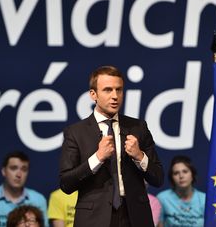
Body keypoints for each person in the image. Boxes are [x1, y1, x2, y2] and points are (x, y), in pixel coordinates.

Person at [59, 65, 164, 227]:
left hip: (135, 217)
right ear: (93, 94)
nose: (115, 96)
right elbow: (66, 184)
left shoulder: (138, 127)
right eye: (108, 90)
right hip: (94, 219)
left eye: (119, 90)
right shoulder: (75, 132)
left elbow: (158, 178)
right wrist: (97, 158)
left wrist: (139, 156)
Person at [0, 151, 48, 227]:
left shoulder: (38, 199)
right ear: (3, 171)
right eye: (13, 168)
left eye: (24, 169)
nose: (19, 174)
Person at [157, 155, 206, 227]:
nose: (181, 176)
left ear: (192, 175)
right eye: (176, 173)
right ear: (171, 177)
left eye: (185, 171)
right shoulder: (163, 198)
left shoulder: (204, 199)